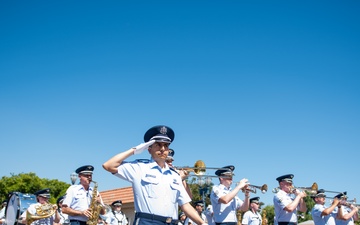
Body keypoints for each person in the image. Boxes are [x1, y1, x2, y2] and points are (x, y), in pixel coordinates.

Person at [102, 125, 207, 225]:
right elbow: (108, 165)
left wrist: (202, 223)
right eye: (158, 145)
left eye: (166, 145)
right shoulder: (139, 168)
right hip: (148, 221)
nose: (162, 149)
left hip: (172, 222)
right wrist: (134, 150)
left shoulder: (174, 175)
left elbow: (185, 205)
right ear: (149, 148)